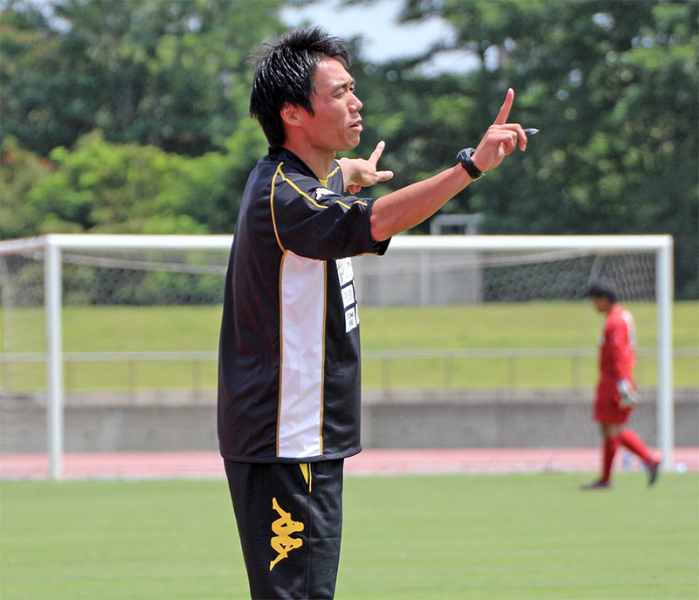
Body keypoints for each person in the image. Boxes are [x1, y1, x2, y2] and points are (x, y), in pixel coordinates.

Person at [217, 26, 529, 599]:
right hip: (287, 442)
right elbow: (376, 221)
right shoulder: (287, 197)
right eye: (339, 93)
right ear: (293, 112)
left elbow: (329, 193)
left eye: (352, 88)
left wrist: (346, 172)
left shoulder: (295, 182)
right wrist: (470, 166)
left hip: (297, 442)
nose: (356, 102)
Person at [581, 279, 661, 490]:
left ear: (604, 299)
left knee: (612, 429)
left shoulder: (615, 321)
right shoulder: (620, 316)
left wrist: (623, 382)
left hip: (614, 381)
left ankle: (643, 461)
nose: (593, 305)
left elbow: (619, 354)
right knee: (610, 429)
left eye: (594, 300)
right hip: (614, 380)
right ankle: (642, 462)